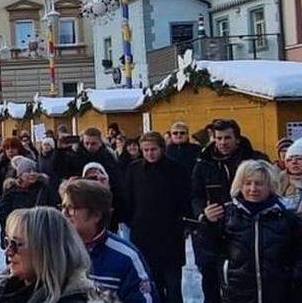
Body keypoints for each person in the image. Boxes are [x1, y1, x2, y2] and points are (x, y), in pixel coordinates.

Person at [200, 159, 302, 303]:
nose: (253, 189)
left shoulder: (287, 218)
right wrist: (208, 224)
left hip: (279, 296)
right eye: (248, 183)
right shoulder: (226, 216)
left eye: (259, 184)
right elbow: (209, 253)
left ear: (270, 186)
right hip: (237, 295)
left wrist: (294, 282)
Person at [190, 118, 268, 303]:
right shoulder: (204, 162)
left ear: (237, 139)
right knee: (211, 281)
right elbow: (194, 195)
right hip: (213, 229)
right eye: (219, 138)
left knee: (242, 281)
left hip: (245, 228)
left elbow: (269, 188)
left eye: (227, 138)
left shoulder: (254, 160)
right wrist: (203, 213)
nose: (223, 142)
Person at [59, 180, 156, 303]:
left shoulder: (125, 257)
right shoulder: (57, 251)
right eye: (62, 207)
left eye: (71, 208)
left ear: (96, 215)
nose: (64, 214)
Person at [0, 207, 103, 303]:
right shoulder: (0, 289)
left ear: (46, 250)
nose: (8, 251)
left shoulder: (74, 298)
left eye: (16, 244)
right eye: (7, 242)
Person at [122, 131, 190, 303]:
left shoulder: (177, 169)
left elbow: (185, 199)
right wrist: (132, 221)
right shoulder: (134, 169)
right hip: (144, 235)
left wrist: (183, 224)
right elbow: (128, 199)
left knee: (173, 286)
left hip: (170, 236)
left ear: (161, 148)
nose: (150, 154)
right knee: (152, 285)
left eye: (153, 149)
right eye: (145, 150)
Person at [0, 155, 57, 247]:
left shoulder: (44, 189)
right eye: (28, 171)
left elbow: (52, 210)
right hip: (17, 236)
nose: (32, 174)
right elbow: (4, 216)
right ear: (20, 175)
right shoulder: (11, 191)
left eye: (34, 171)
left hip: (39, 237)